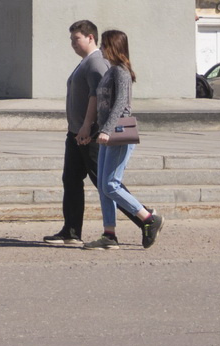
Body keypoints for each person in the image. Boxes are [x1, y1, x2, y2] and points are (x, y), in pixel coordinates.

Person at [86, 28, 161, 250]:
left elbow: (121, 104)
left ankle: (148, 218)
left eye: (104, 44)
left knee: (110, 184)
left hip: (118, 133)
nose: (100, 49)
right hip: (108, 132)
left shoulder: (121, 72)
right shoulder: (112, 70)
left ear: (114, 46)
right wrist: (95, 131)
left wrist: (107, 130)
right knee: (103, 185)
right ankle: (109, 234)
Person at [42, 21, 108, 245]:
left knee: (106, 183)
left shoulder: (96, 63)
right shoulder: (85, 63)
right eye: (71, 40)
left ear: (90, 38)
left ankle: (145, 218)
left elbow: (97, 97)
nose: (73, 44)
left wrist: (87, 127)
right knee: (71, 180)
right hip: (76, 133)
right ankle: (71, 231)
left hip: (88, 135)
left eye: (76, 39)